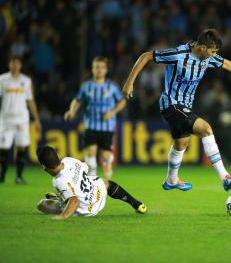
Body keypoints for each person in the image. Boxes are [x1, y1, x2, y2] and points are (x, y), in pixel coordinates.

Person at [122, 29, 231, 191]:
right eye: (212, 51)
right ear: (203, 47)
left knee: (182, 143)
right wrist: (130, 82)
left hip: (184, 106)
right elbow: (146, 56)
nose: (213, 55)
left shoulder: (207, 58)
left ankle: (171, 180)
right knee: (206, 129)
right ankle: (225, 176)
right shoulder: (179, 54)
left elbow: (225, 63)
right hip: (171, 104)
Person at [36, 145, 147, 220]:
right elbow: (87, 168)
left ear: (43, 167)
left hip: (87, 209)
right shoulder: (68, 160)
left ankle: (62, 199)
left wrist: (62, 217)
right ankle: (137, 204)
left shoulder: (59, 181)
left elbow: (75, 201)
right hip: (97, 194)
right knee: (105, 183)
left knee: (42, 204)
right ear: (58, 156)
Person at [64, 56, 126, 179]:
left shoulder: (112, 87)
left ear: (106, 70)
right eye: (96, 67)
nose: (99, 70)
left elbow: (122, 102)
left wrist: (112, 112)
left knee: (105, 157)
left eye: (102, 67)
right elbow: (77, 100)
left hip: (107, 127)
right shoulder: (86, 86)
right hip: (90, 125)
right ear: (92, 69)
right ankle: (92, 179)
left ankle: (107, 162)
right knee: (90, 153)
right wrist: (72, 111)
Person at [0, 56, 41, 184]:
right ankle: (2, 175)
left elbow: (30, 100)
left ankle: (19, 176)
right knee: (3, 148)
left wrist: (37, 120)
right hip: (6, 119)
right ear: (9, 65)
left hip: (22, 119)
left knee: (21, 147)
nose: (15, 65)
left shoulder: (26, 80)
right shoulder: (2, 79)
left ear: (20, 65)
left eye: (17, 63)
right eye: (13, 63)